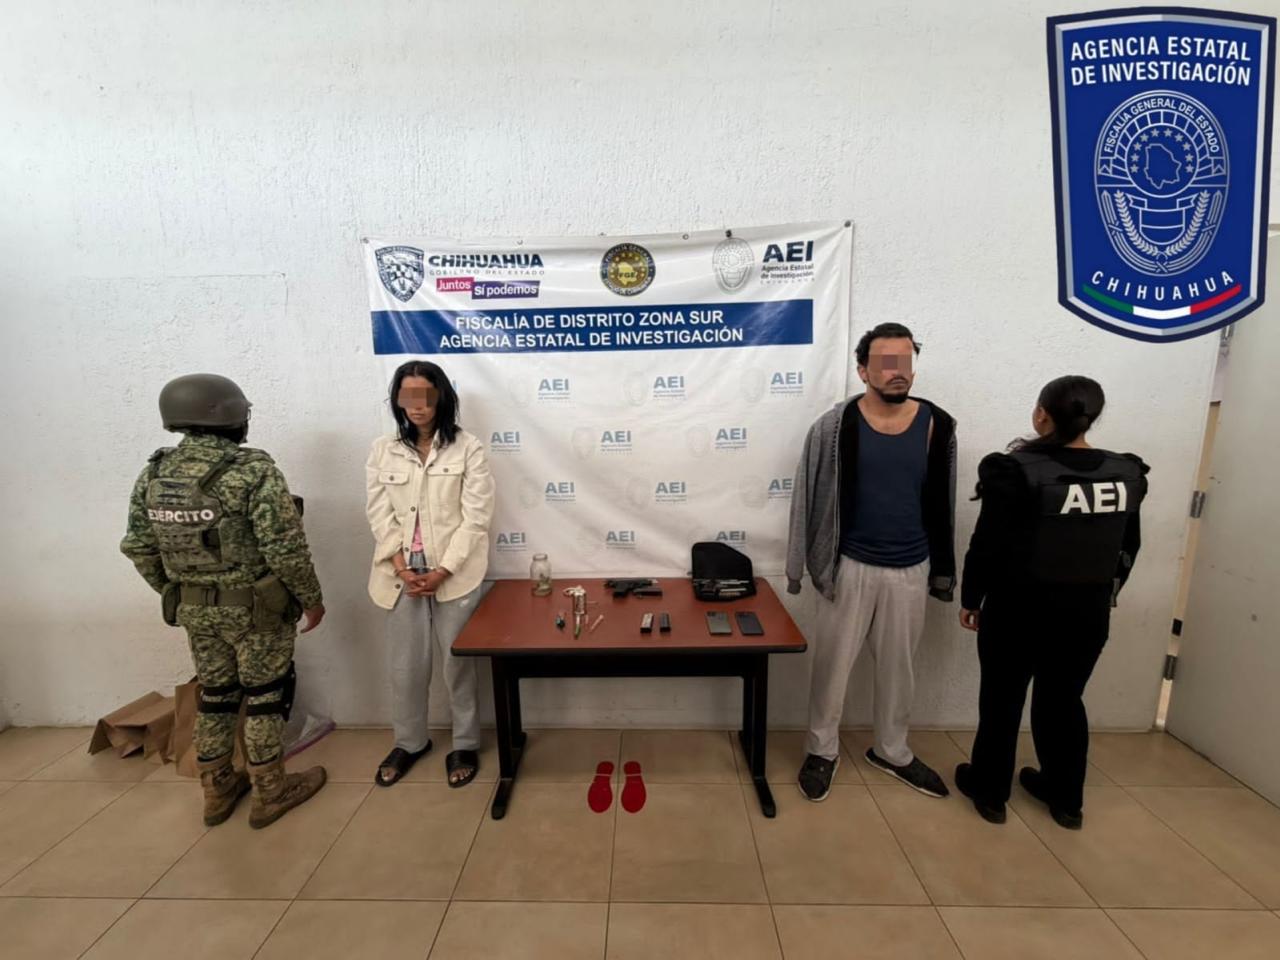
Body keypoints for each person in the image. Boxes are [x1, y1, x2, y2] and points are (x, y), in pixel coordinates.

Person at [120, 374, 327, 830]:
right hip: (256, 611)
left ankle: (216, 790)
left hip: (196, 612)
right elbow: (285, 548)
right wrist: (311, 599)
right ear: (229, 414)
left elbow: (138, 546)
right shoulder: (251, 471)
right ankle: (271, 791)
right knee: (265, 697)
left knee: (215, 697)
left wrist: (176, 590)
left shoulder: (154, 473)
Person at [954, 375, 1148, 829]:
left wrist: (971, 597)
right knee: (1064, 701)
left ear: (1042, 414)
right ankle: (1066, 800)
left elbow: (988, 544)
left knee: (1002, 701)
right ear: (1091, 418)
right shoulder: (1125, 473)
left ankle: (990, 793)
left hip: (1018, 609)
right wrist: (1104, 592)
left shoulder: (1015, 470)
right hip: (1087, 612)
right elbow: (1128, 546)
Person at [787, 322, 958, 802]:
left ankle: (892, 750)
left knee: (899, 670)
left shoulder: (938, 426)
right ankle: (821, 750)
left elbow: (943, 501)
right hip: (848, 567)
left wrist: (943, 569)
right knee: (832, 668)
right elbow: (807, 497)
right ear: (863, 370)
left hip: (911, 568)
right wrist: (801, 565)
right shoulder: (833, 428)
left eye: (905, 362)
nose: (897, 372)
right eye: (886, 362)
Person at [366, 360, 495, 788]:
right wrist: (403, 568)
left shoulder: (468, 448)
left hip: (454, 575)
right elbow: (379, 514)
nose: (417, 406)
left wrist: (442, 570)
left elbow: (476, 518)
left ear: (442, 397)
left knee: (457, 665)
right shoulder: (382, 450)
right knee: (405, 667)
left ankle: (465, 743)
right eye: (408, 397)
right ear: (398, 401)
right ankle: (410, 741)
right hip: (399, 575)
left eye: (426, 396)